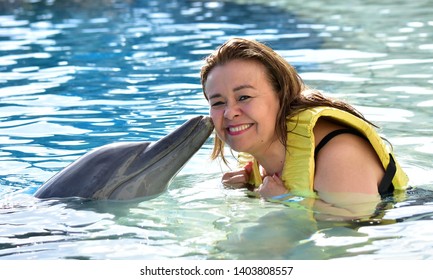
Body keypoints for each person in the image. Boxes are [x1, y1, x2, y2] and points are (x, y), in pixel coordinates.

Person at [200, 37, 408, 205]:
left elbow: (353, 230)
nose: (229, 113)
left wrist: (286, 200)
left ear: (281, 96)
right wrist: (249, 192)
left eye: (244, 97)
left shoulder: (338, 152)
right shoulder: (257, 161)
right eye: (218, 102)